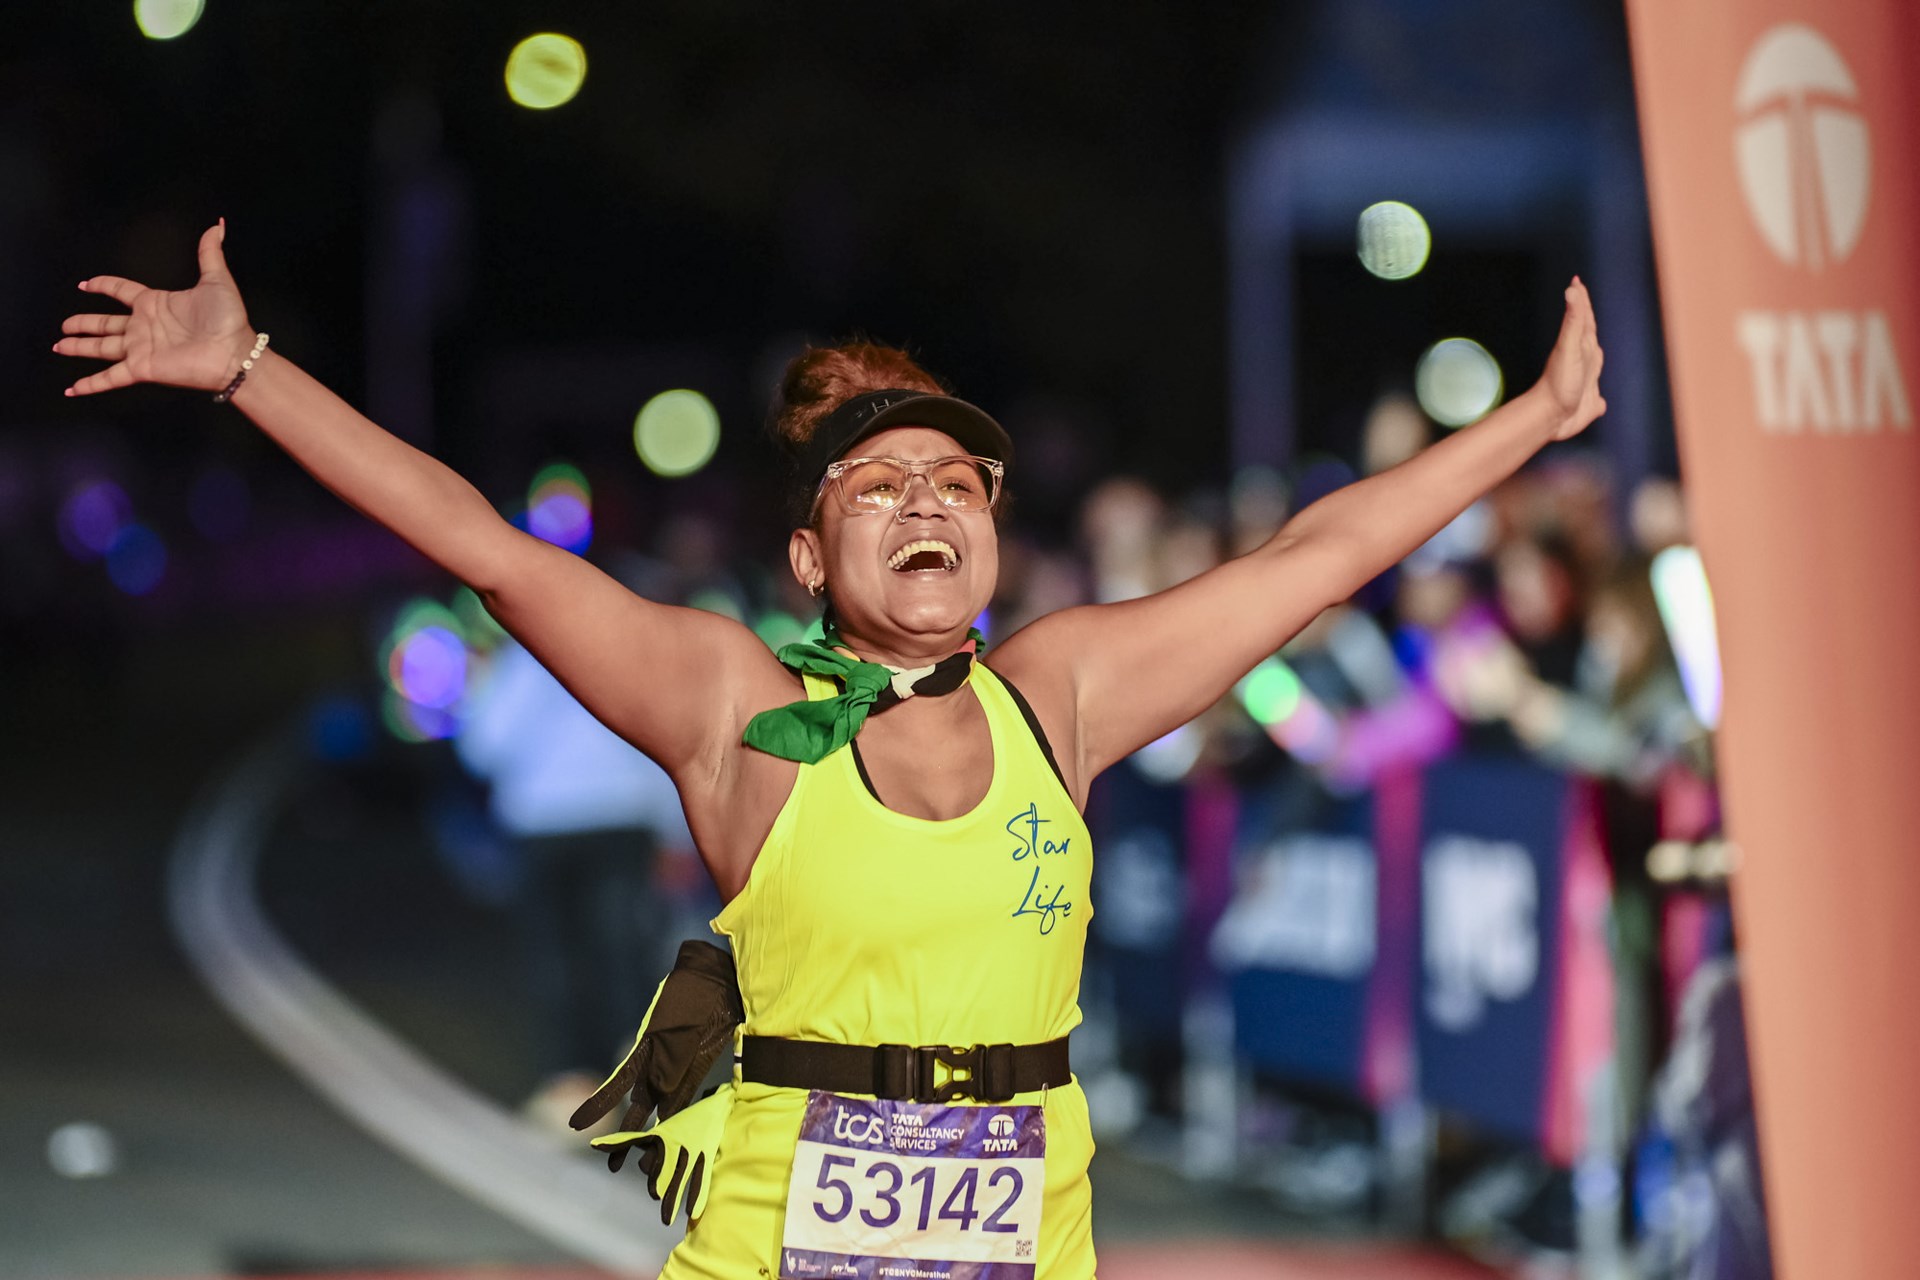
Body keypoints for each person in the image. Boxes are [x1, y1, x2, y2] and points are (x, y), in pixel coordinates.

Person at [55, 222, 1605, 1278]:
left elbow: (1314, 561)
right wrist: (249, 368)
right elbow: (487, 548)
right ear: (808, 557)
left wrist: (1532, 420)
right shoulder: (730, 704)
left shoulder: (1060, 693)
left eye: (957, 483)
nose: (928, 500)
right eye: (880, 487)